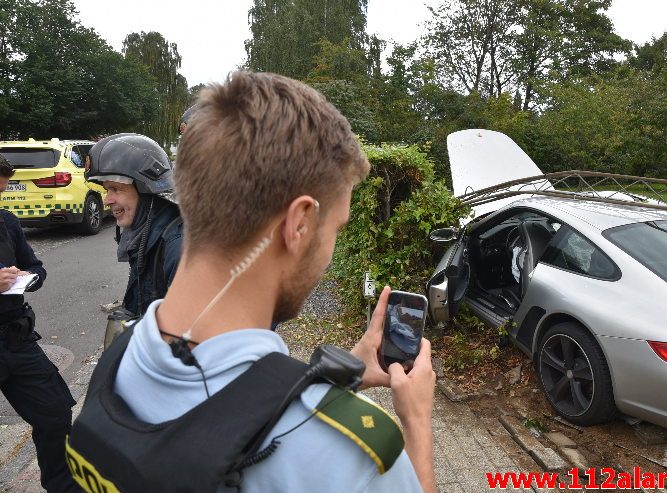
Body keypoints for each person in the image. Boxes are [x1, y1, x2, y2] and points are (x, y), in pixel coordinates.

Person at [68, 72, 436, 492]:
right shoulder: (349, 460)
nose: (331, 248)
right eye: (336, 227)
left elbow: (221, 400)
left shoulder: (122, 353)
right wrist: (416, 421)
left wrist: (326, 387)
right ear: (299, 223)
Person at [0, 155, 81, 492]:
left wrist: (26, 277)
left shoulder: (6, 221)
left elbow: (37, 267)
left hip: (15, 338)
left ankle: (63, 485)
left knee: (56, 412)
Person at [85, 134, 183, 318]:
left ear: (146, 190)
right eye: (107, 190)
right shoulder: (145, 234)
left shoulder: (178, 246)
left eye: (116, 189)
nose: (107, 200)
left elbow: (189, 331)